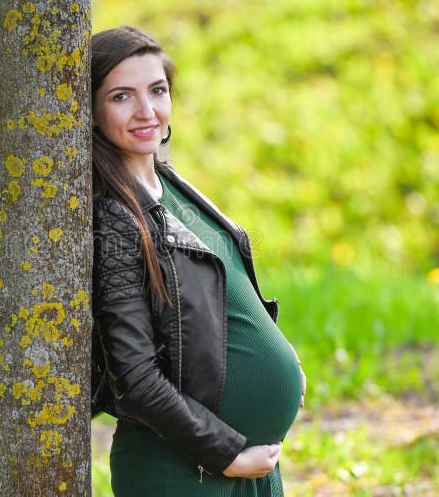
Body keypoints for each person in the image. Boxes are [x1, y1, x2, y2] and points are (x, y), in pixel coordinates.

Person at [90, 26, 306, 496]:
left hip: (249, 463)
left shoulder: (168, 185)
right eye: (122, 96)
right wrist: (225, 453)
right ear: (91, 111)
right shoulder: (114, 218)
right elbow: (136, 378)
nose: (146, 111)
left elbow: (223, 299)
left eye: (158, 90)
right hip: (187, 468)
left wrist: (285, 363)